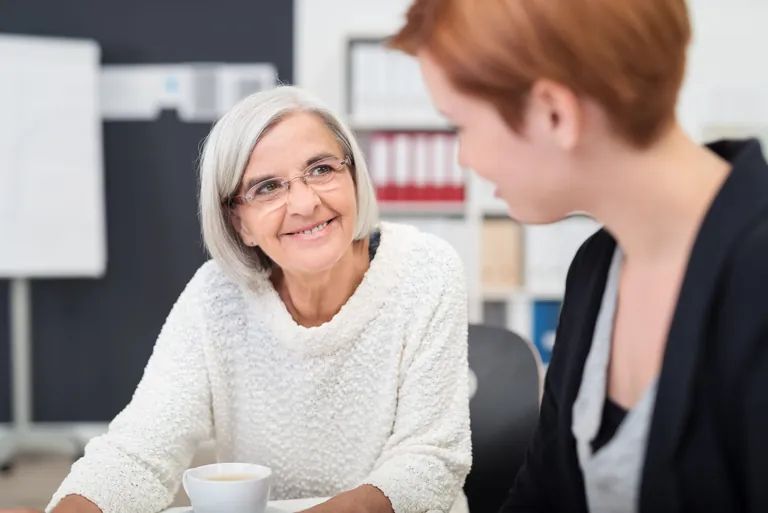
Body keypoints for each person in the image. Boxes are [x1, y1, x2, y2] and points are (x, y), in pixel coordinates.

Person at [7, 86, 472, 513]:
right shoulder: (217, 295)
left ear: (352, 175)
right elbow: (140, 450)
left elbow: (430, 462)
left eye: (321, 169)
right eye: (267, 187)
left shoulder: (425, 270)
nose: (305, 203)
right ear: (239, 222)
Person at [390, 0, 768, 512]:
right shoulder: (597, 269)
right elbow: (544, 495)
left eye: (461, 126)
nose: (463, 159)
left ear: (554, 113)